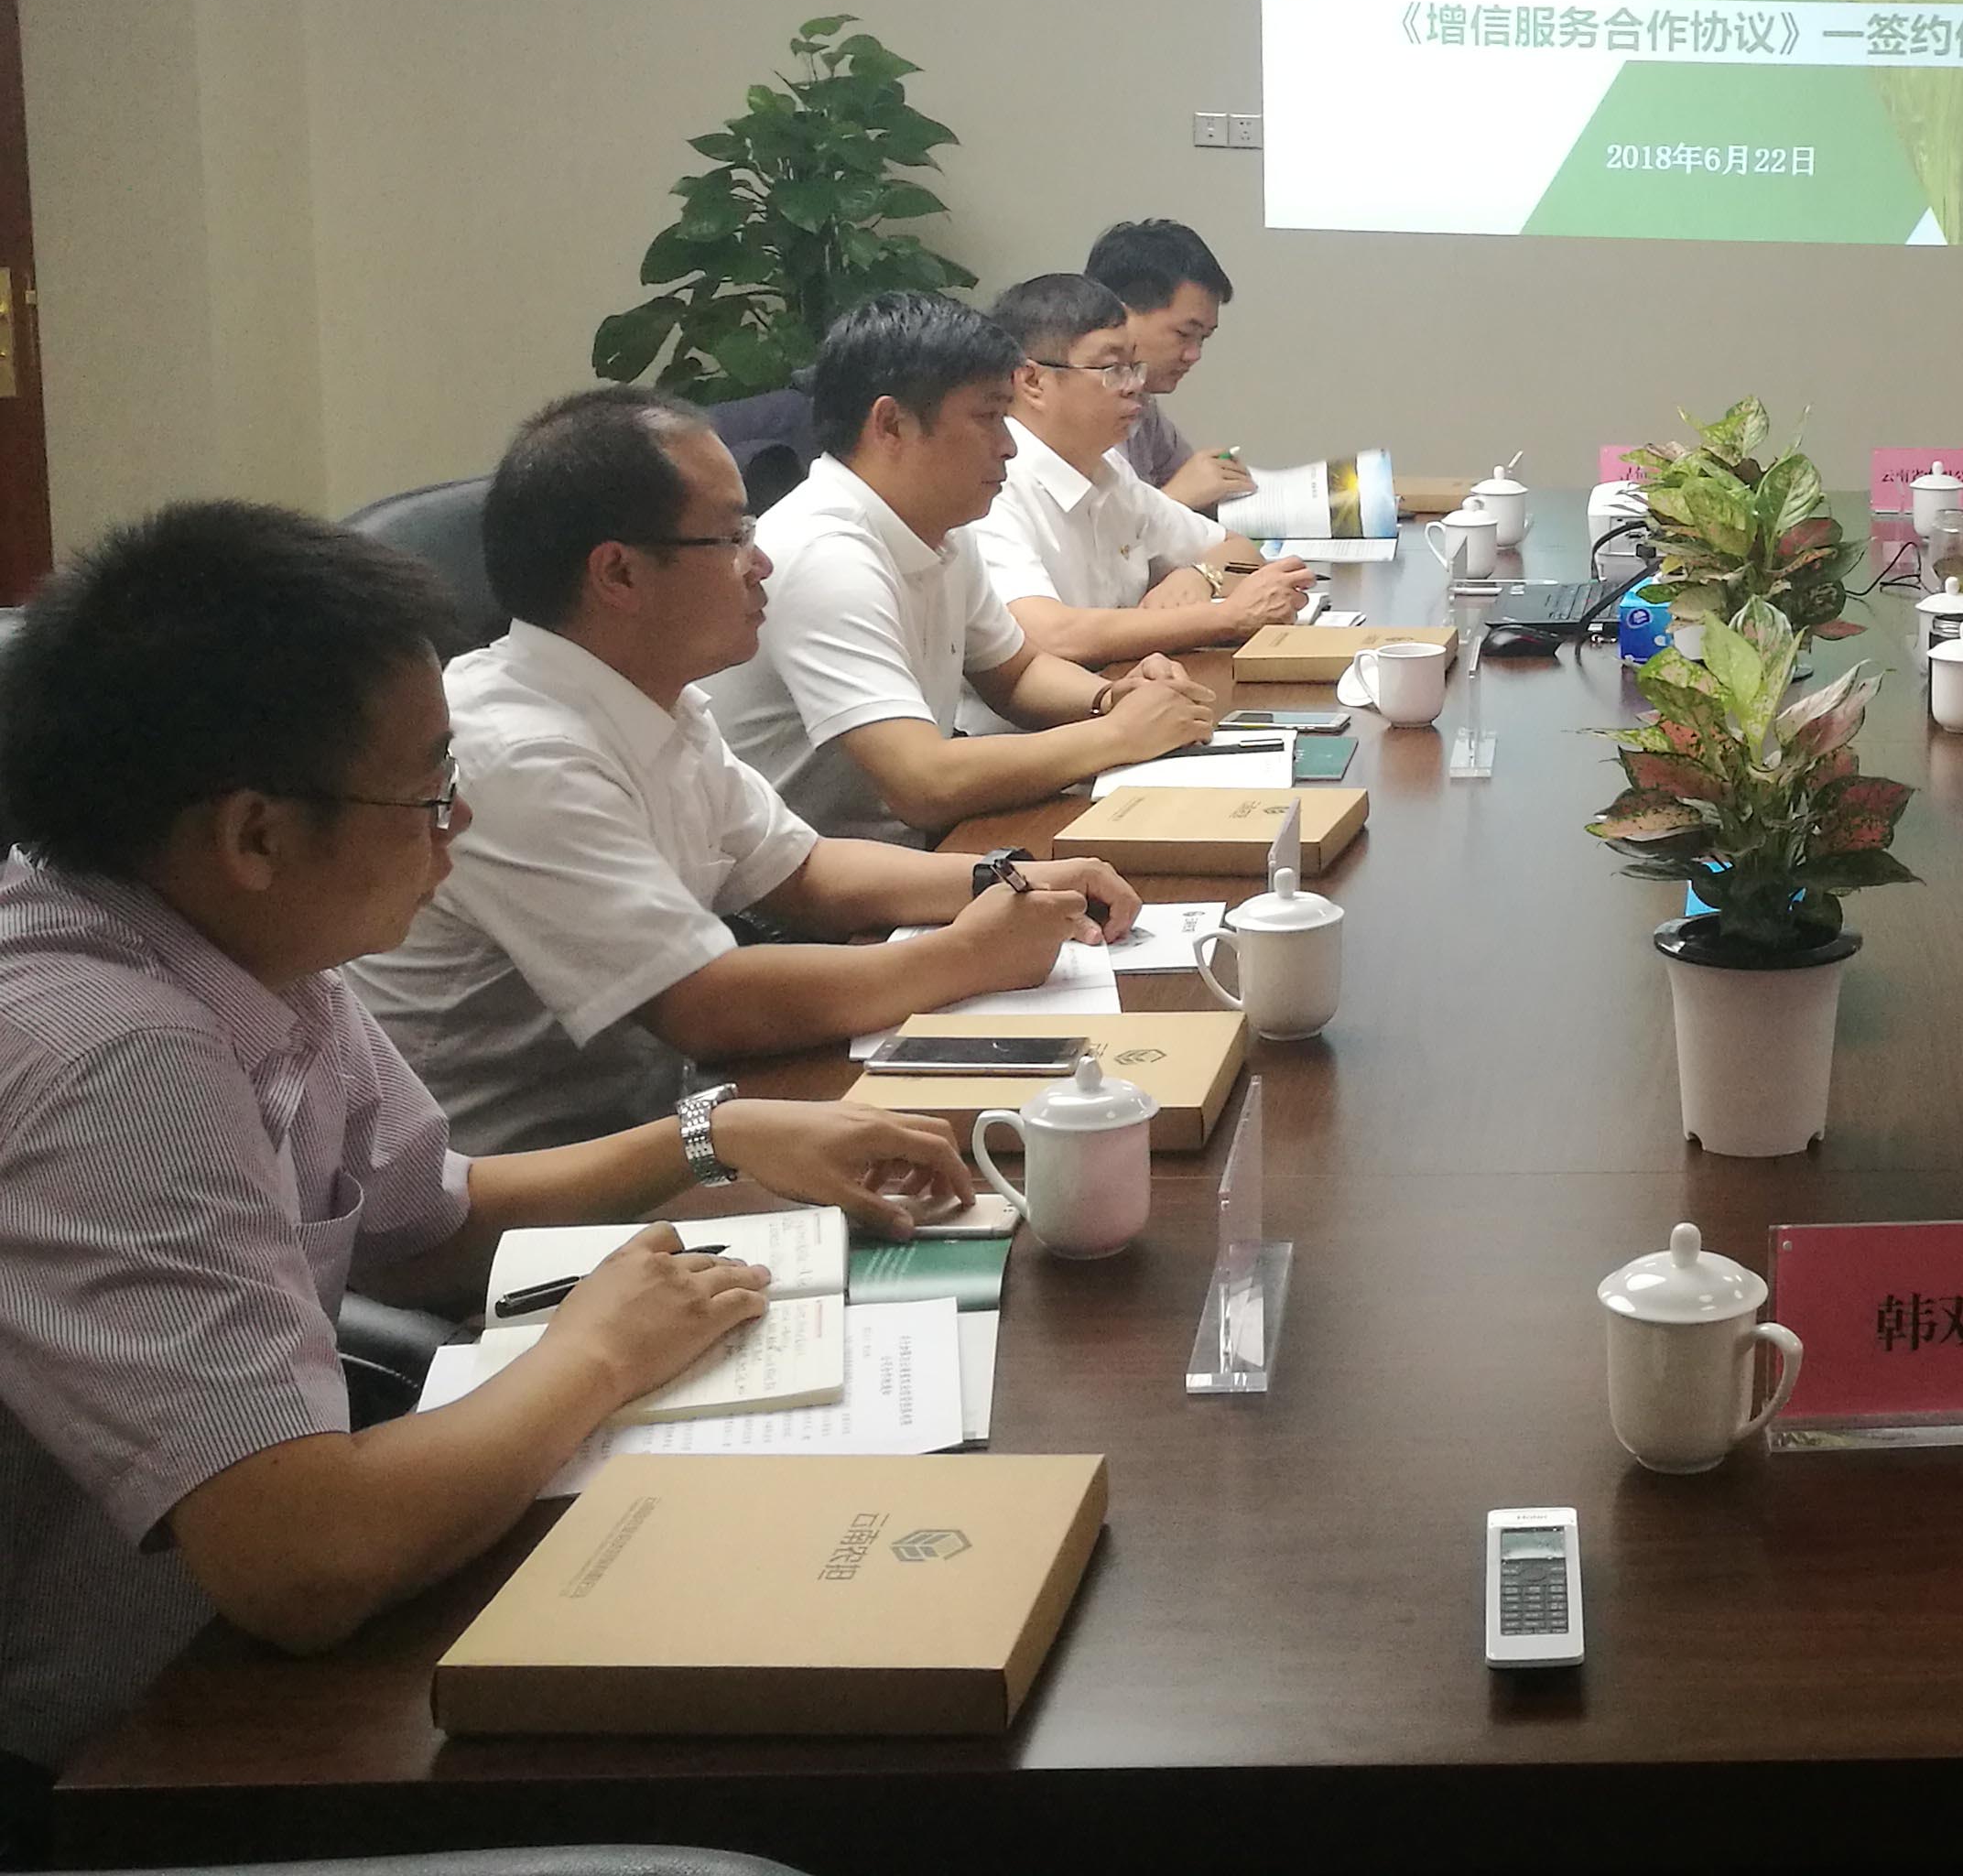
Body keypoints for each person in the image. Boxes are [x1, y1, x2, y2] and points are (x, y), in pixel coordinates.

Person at [0, 502, 973, 1808]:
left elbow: (428, 1225)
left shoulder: (245, 945)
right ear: (256, 834)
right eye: (426, 790)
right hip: (130, 1748)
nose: (455, 822)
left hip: (263, 1636)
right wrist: (598, 1352)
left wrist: (712, 1136)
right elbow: (302, 1564)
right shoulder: (116, 1059)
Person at [342, 387, 1144, 1155]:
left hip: (665, 1120)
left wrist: (1009, 876)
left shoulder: (654, 699)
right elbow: (705, 1004)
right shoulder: (519, 753)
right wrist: (967, 956)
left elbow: (804, 870)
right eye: (731, 539)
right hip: (536, 1177)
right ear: (618, 574)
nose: (761, 564)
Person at [703, 291, 1221, 843]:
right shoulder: (825, 554)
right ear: (891, 425)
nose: (1009, 447)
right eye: (989, 418)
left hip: (910, 847)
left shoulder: (942, 526)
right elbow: (923, 783)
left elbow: (1017, 674)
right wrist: (1119, 734)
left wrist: (1110, 698)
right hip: (821, 876)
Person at [961, 272, 1316, 701]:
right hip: (1024, 731)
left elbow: (1237, 550)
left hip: (1119, 703)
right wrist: (1228, 617)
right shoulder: (992, 481)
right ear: (1033, 382)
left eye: (1134, 366)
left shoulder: (1108, 468)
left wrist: (1199, 576)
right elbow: (1047, 634)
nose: (1135, 386)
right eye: (1112, 369)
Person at [1087, 217, 1253, 514]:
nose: (1194, 355)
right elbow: (1091, 535)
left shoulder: (1143, 403)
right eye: (1184, 334)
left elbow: (1190, 483)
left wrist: (1217, 482)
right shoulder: (1072, 409)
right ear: (1118, 316)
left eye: (1203, 338)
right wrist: (1173, 500)